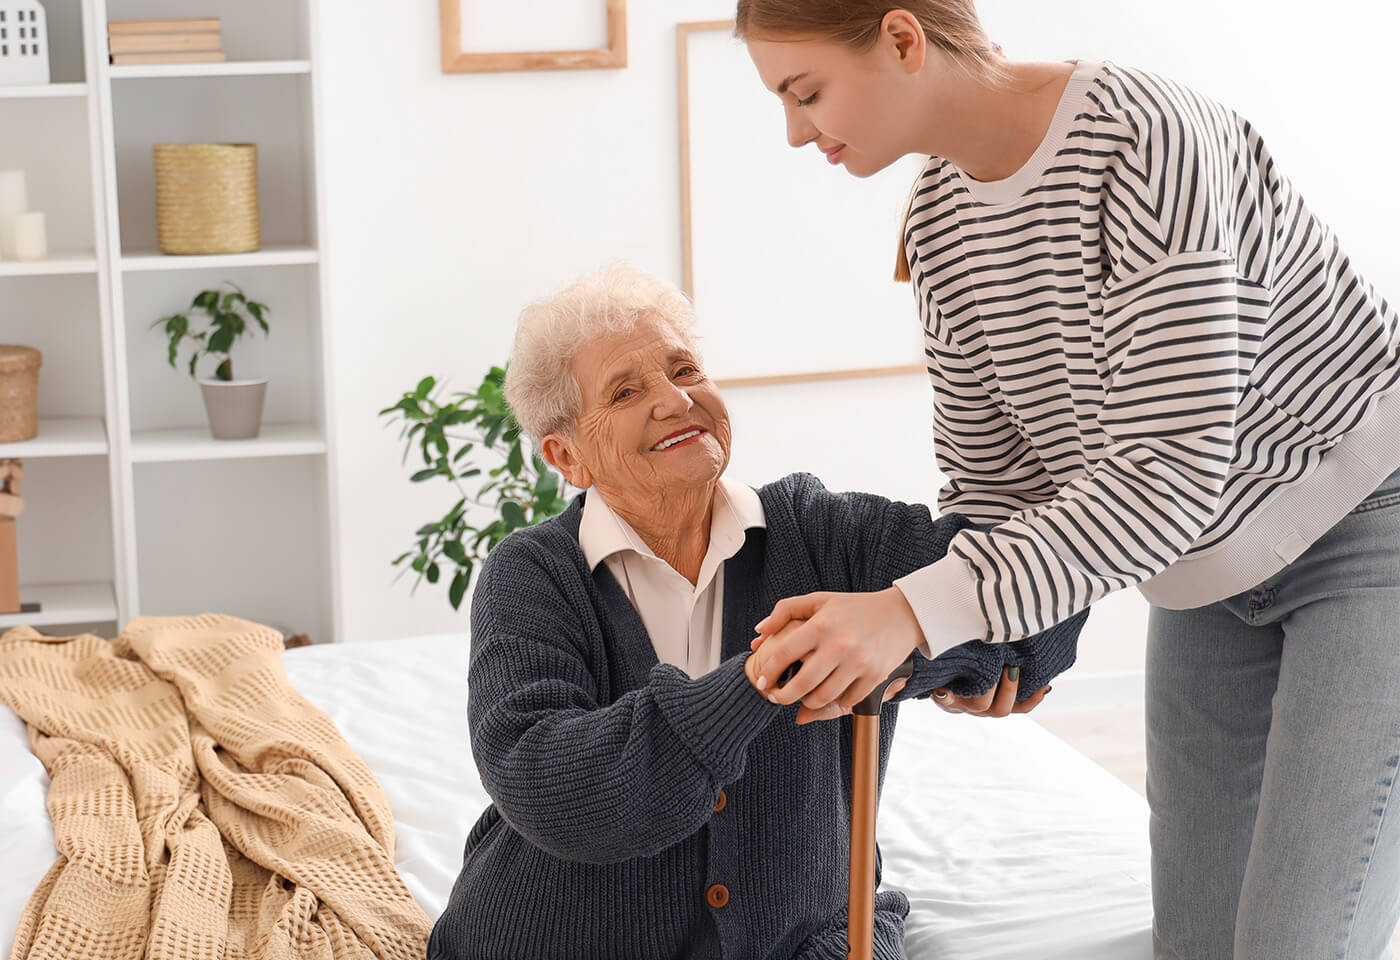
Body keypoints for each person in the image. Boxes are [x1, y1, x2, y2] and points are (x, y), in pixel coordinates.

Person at [735, 3, 1400, 958]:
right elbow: (996, 482)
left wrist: (913, 611)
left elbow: (1168, 471)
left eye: (806, 92)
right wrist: (995, 644)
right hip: (1201, 578)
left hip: (1365, 521)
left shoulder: (1144, 140)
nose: (797, 129)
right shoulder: (939, 219)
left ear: (901, 39)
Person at [426, 265, 1085, 960]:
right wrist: (773, 675)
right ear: (568, 456)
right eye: (626, 390)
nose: (675, 399)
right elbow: (556, 788)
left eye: (685, 369)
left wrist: (907, 648)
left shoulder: (823, 532)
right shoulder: (533, 573)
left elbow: (1047, 596)